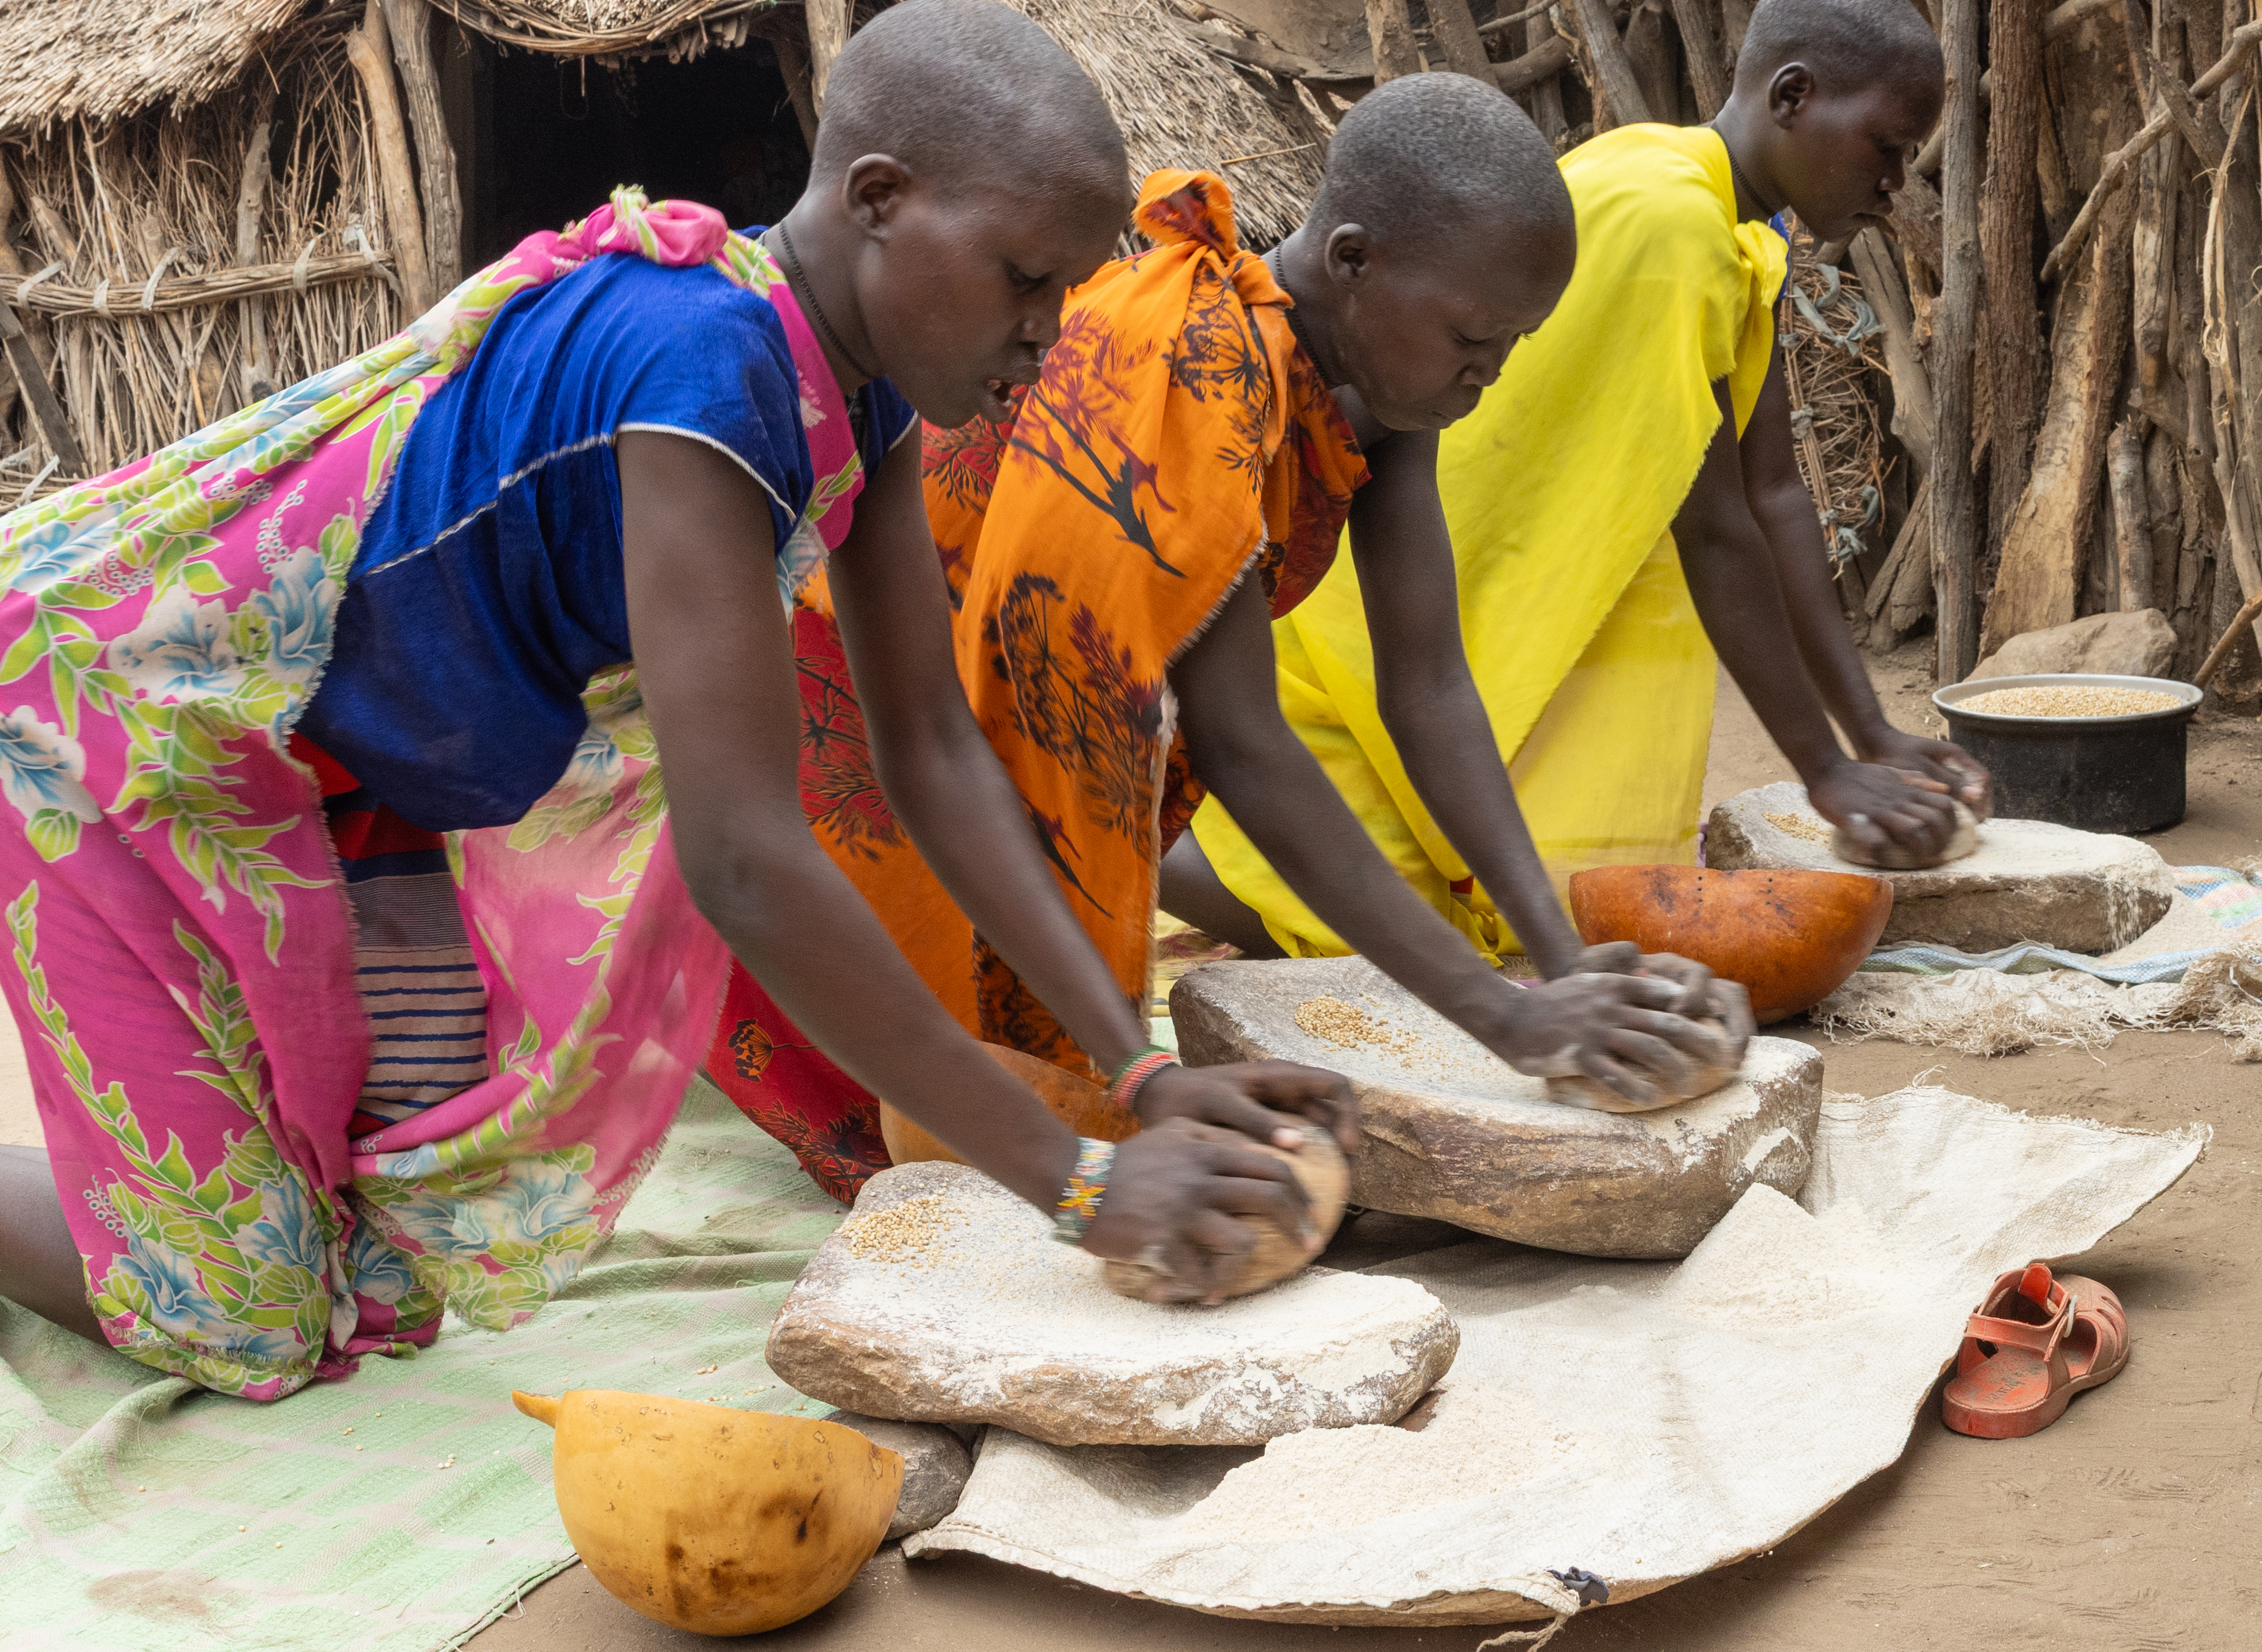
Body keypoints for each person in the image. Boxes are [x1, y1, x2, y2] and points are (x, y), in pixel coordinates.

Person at [0, 0, 1352, 1403]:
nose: (1051, 331)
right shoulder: (701, 365)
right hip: (92, 703)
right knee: (243, 1321)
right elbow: (745, 857)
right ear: (881, 202)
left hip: (336, 778)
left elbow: (933, 753)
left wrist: (1123, 1065)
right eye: (1030, 279)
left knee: (397, 1248)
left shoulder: (856, 388)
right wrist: (1067, 1178)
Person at [703, 74, 1746, 1199]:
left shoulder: (1383, 398)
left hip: (994, 726)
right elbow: (1247, 744)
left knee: (1048, 1085)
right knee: (951, 1120)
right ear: (1353, 261)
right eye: (1469, 339)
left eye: (1508, 348)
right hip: (881, 696)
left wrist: (1558, 964)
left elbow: (1431, 685)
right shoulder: (1205, 361)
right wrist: (1500, 1015)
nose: (1484, 379)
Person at [1169, 0, 1993, 965]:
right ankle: (1095, 856)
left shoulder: (1728, 226)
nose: (1895, 185)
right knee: (1401, 923)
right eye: (1888, 148)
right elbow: (1717, 524)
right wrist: (1826, 765)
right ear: (1793, 99)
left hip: (1449, 604)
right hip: (1401, 612)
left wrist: (1871, 739)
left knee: (1498, 924)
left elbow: (1774, 491)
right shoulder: (1669, 223)